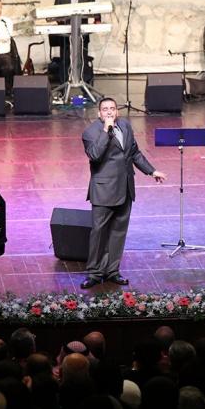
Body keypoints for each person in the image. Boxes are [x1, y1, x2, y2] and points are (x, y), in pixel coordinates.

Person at [80, 97, 166, 289]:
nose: (109, 112)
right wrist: (106, 131)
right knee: (99, 233)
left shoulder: (125, 126)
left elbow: (134, 153)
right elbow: (95, 155)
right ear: (99, 113)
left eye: (112, 108)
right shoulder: (90, 132)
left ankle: (112, 270)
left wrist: (151, 171)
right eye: (105, 109)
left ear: (117, 112)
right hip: (104, 190)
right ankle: (94, 273)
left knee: (118, 232)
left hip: (125, 187)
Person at [53, 0, 96, 84]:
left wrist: (97, 22)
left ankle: (85, 85)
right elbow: (55, 12)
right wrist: (62, 24)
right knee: (65, 60)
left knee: (83, 59)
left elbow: (96, 11)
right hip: (66, 34)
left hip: (82, 33)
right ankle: (64, 86)